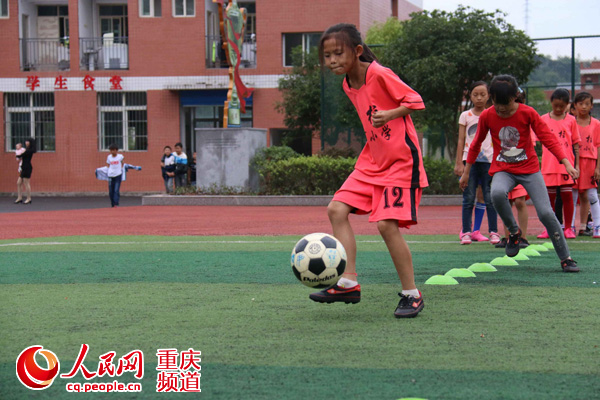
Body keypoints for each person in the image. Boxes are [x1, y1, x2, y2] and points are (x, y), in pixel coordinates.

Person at [310, 23, 428, 318]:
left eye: (338, 53)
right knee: (336, 209)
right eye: (327, 56)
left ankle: (412, 295)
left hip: (401, 161)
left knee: (386, 225)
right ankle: (348, 283)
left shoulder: (379, 73)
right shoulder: (347, 84)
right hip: (372, 160)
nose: (332, 60)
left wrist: (390, 114)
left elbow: (416, 101)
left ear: (357, 51)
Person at [460, 75, 579, 272]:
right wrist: (466, 172)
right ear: (491, 98)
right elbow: (475, 144)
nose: (501, 109)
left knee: (546, 213)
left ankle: (566, 258)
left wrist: (566, 162)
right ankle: (514, 232)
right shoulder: (488, 116)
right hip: (503, 169)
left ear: (515, 96)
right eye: (497, 104)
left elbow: (548, 138)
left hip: (529, 170)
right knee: (496, 193)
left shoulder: (527, 113)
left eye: (505, 104)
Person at [454, 81, 499, 245]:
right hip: (469, 162)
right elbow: (461, 140)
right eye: (475, 94)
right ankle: (466, 232)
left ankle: (493, 231)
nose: (479, 98)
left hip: (489, 161)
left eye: (482, 94)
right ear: (470, 96)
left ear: (488, 96)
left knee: (490, 197)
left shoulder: (493, 114)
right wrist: (459, 163)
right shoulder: (465, 115)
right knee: (468, 197)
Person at [536, 88, 580, 239]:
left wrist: (576, 166)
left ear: (567, 105)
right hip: (549, 165)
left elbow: (576, 145)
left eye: (562, 106)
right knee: (549, 199)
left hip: (567, 166)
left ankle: (568, 228)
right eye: (556, 105)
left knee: (567, 196)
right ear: (551, 103)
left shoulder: (571, 120)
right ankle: (549, 228)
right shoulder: (543, 119)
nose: (559, 109)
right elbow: (535, 141)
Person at [571, 92, 600, 238]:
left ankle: (595, 227)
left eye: (587, 104)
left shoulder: (596, 124)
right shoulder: (570, 122)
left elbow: (599, 146)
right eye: (580, 104)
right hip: (573, 162)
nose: (583, 107)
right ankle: (570, 227)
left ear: (591, 106)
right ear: (575, 105)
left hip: (590, 162)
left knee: (590, 195)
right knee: (572, 195)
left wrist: (598, 167)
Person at [15, 138, 36, 205]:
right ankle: (19, 198)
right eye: (26, 141)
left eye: (27, 141)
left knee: (26, 183)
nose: (26, 142)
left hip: (27, 168)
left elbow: (21, 155)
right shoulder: (26, 149)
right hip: (23, 167)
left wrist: (17, 155)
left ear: (30, 143)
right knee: (18, 183)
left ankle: (29, 198)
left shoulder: (29, 150)